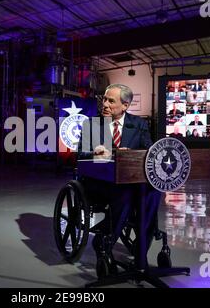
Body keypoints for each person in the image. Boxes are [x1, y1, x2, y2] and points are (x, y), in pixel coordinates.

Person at [77, 84, 158, 275]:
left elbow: (150, 153)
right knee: (126, 193)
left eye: (110, 101)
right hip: (98, 183)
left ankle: (141, 251)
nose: (104, 104)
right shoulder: (92, 124)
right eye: (104, 99)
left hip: (130, 180)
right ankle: (105, 242)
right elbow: (80, 155)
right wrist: (96, 154)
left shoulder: (139, 124)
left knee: (154, 192)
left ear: (125, 105)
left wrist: (132, 154)